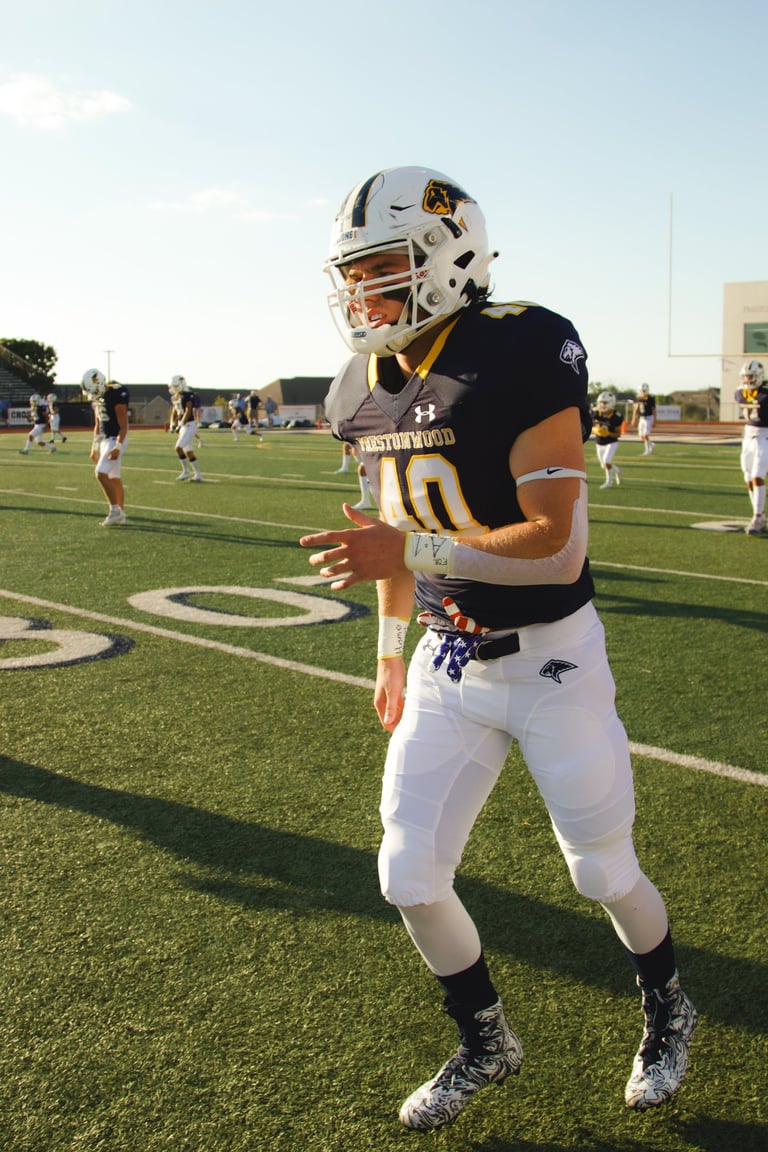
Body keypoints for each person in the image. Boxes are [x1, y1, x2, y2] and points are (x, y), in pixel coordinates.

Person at [299, 166, 696, 1130]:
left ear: (447, 254)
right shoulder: (359, 387)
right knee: (407, 875)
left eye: (382, 267)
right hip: (446, 663)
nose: (363, 291)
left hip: (552, 659)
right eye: (353, 273)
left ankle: (668, 1005)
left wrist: (410, 552)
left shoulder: (518, 346)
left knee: (602, 872)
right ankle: (486, 1040)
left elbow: (556, 545)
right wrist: (388, 650)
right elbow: (391, 535)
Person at [83, 368, 129, 526]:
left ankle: (115, 511)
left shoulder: (115, 394)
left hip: (116, 439)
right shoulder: (98, 399)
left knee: (101, 473)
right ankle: (120, 513)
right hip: (104, 440)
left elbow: (123, 426)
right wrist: (94, 447)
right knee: (114, 478)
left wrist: (118, 446)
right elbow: (98, 424)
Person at [734, 359, 768, 535]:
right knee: (748, 476)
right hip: (748, 436)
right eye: (745, 376)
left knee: (757, 475)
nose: (747, 380)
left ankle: (757, 517)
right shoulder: (739, 392)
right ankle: (760, 515)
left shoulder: (765, 393)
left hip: (765, 435)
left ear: (759, 376)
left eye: (750, 376)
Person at [170, 375, 204, 482]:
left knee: (178, 448)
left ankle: (186, 471)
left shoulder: (188, 395)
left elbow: (188, 411)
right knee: (189, 452)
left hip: (189, 425)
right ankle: (198, 475)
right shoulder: (175, 397)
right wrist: (172, 423)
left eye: (175, 386)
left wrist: (181, 424)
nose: (173, 388)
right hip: (183, 426)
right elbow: (174, 411)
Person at [592, 391, 624, 488]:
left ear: (611, 403)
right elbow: (590, 427)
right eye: (601, 402)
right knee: (604, 465)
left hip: (611, 442)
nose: (602, 405)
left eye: (605, 403)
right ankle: (617, 470)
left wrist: (608, 433)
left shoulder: (616, 416)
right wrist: (595, 430)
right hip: (599, 442)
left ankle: (609, 482)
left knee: (606, 461)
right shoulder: (596, 413)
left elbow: (618, 434)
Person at [631, 383, 656, 455]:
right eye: (641, 390)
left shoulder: (650, 398)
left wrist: (654, 421)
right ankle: (651, 445)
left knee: (645, 435)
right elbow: (636, 409)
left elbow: (654, 410)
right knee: (641, 436)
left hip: (649, 417)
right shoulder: (638, 398)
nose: (642, 392)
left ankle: (648, 451)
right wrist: (633, 419)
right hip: (641, 418)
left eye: (644, 390)